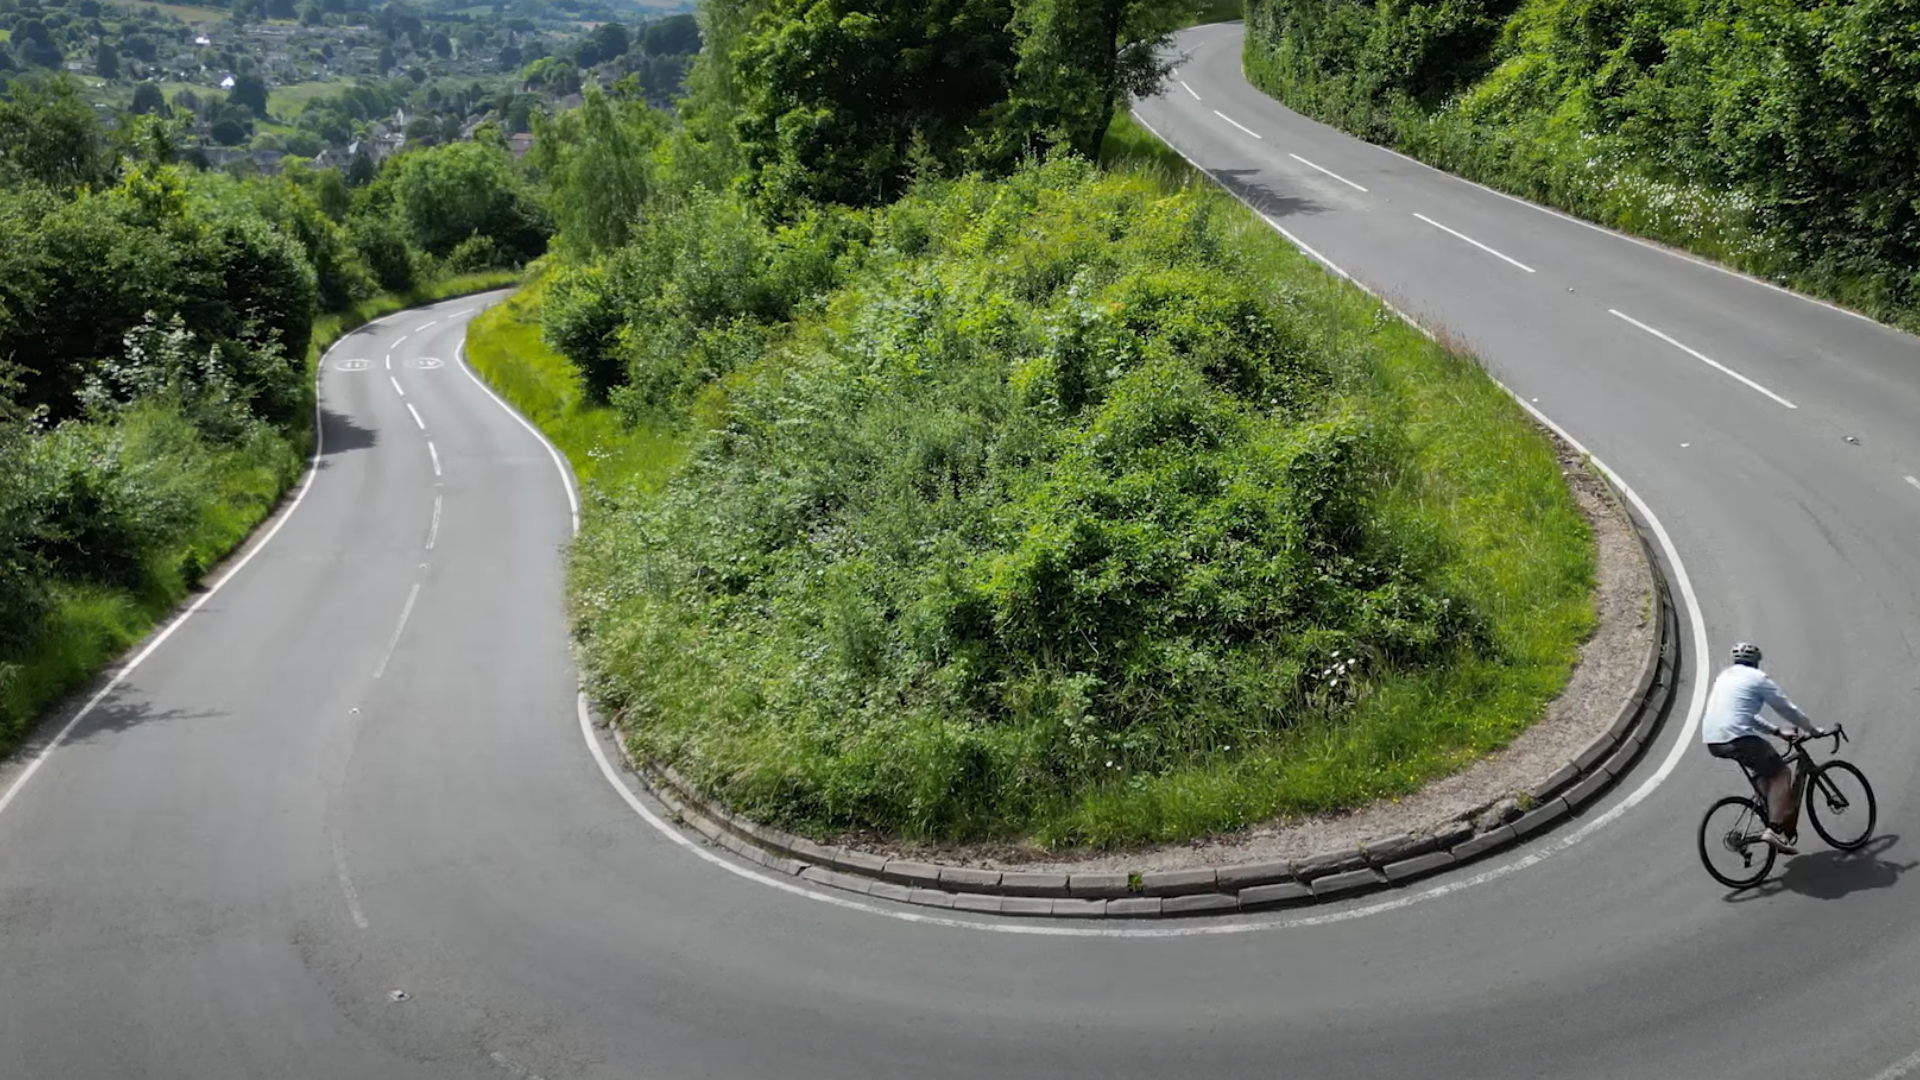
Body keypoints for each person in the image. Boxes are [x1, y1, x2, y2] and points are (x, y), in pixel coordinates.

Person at [1703, 641, 1823, 854]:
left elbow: (1747, 717)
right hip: (1738, 737)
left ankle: (1769, 810)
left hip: (1713, 740)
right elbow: (1786, 708)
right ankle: (1774, 829)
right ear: (1756, 663)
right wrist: (1811, 729)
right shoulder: (1758, 679)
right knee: (1782, 773)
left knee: (1764, 771)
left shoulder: (1724, 677)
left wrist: (1776, 732)